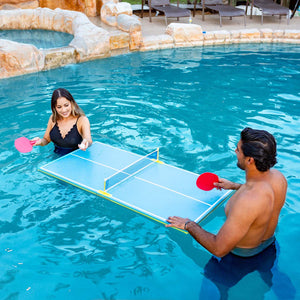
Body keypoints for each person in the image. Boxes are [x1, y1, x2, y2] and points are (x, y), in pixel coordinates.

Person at [166, 127, 287, 258]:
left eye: (238, 149)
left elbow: (219, 249)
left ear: (250, 160)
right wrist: (234, 186)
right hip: (270, 246)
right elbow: (261, 198)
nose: (235, 151)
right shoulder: (278, 178)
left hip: (240, 259)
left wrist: (189, 225)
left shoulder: (247, 201)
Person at [32, 88, 92, 155]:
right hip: (57, 157)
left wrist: (85, 142)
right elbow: (46, 140)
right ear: (54, 107)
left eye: (66, 105)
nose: (63, 110)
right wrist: (39, 142)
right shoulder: (53, 118)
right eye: (59, 107)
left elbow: (88, 140)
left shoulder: (82, 120)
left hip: (78, 158)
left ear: (72, 103)